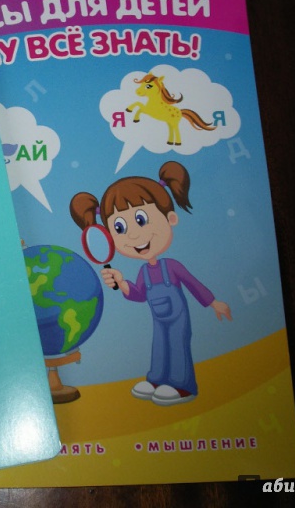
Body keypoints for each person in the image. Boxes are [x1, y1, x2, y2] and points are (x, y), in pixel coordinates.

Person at [69, 161, 232, 406]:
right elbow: (138, 294)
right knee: (160, 345)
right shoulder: (144, 271)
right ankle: (156, 380)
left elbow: (193, 284)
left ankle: (182, 385)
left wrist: (213, 302)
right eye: (120, 228)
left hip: (178, 317)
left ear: (171, 218)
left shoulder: (172, 266)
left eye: (141, 220)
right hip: (159, 318)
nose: (133, 235)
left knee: (177, 344)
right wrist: (121, 282)